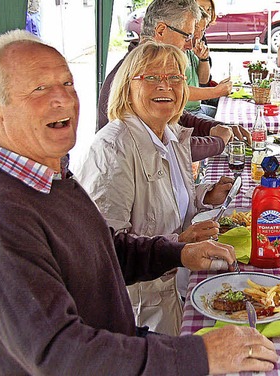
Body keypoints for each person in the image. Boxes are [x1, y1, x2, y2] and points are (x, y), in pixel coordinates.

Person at [0, 29, 278, 375]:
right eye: (39, 89)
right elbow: (62, 355)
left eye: (67, 84)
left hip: (125, 341)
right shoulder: (0, 222)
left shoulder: (51, 178)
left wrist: (176, 252)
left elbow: (101, 251)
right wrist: (199, 355)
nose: (62, 99)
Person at [75, 41, 234, 335]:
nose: (166, 86)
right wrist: (179, 243)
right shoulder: (113, 148)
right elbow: (105, 251)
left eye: (174, 77)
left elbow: (167, 202)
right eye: (151, 77)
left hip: (179, 289)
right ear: (127, 87)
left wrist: (204, 197)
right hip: (141, 312)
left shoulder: (169, 133)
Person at [96, 0, 250, 160]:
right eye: (187, 36)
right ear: (161, 31)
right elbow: (160, 147)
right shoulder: (137, 73)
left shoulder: (153, 67)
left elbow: (176, 115)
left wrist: (214, 127)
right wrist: (218, 141)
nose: (190, 45)